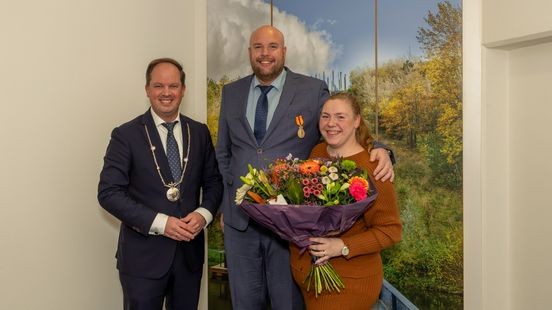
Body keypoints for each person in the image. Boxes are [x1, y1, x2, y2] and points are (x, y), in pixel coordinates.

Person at [216, 25, 395, 310]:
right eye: (258, 47)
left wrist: (382, 148)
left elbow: (340, 123)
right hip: (241, 225)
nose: (265, 54)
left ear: (284, 51)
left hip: (291, 229)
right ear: (250, 52)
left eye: (272, 47)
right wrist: (227, 203)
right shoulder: (232, 92)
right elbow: (223, 153)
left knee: (289, 304)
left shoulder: (312, 91)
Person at [98, 58, 223, 309]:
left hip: (189, 258)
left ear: (183, 90)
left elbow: (213, 182)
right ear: (147, 89)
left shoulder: (199, 133)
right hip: (142, 260)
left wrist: (203, 214)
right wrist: (162, 224)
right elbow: (109, 193)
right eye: (158, 86)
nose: (166, 93)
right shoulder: (126, 135)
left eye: (173, 86)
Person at [289, 92, 402, 309]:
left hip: (348, 284)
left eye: (341, 117)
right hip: (310, 280)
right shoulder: (317, 152)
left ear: (357, 121)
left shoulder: (374, 168)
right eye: (325, 116)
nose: (331, 123)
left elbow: (391, 231)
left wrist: (342, 246)